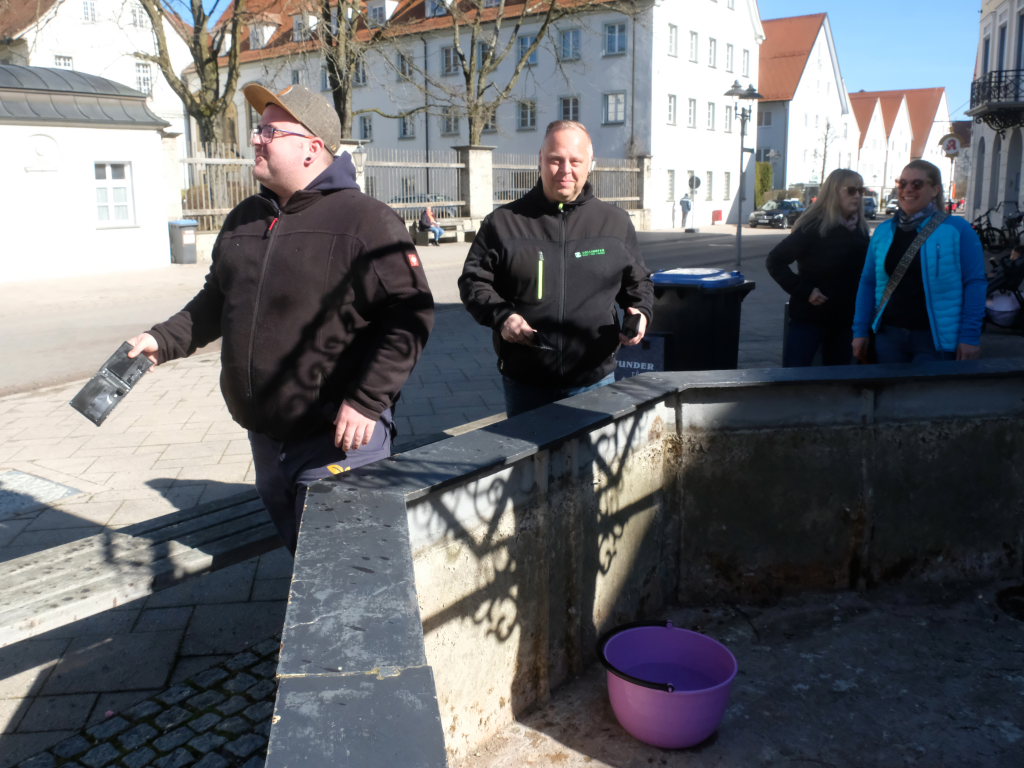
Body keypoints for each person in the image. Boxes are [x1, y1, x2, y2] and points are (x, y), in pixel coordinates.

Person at [127, 84, 434, 553]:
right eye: (258, 129)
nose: (256, 138)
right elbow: (216, 301)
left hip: (339, 439)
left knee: (346, 565)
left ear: (311, 148)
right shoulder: (245, 218)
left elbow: (410, 314)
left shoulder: (366, 222)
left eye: (270, 131)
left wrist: (368, 400)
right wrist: (161, 340)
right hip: (266, 439)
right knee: (300, 556)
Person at [459, 120, 654, 417]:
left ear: (590, 164)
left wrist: (641, 312)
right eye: (555, 160)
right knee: (528, 449)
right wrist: (502, 316)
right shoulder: (504, 222)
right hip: (526, 382)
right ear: (540, 160)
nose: (565, 170)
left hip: (595, 380)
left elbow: (639, 284)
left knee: (591, 450)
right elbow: (473, 282)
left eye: (575, 161)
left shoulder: (614, 222)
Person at [852, 159, 985, 364]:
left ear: (935, 190)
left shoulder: (958, 230)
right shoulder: (884, 231)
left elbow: (974, 283)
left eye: (917, 184)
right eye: (902, 183)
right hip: (889, 336)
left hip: (935, 340)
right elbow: (868, 282)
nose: (908, 189)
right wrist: (860, 331)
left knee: (930, 387)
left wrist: (970, 336)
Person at [766, 169, 869, 366]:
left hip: (845, 320)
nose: (857, 195)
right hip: (809, 318)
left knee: (837, 378)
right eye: (851, 190)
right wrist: (805, 291)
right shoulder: (813, 227)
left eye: (861, 190)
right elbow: (775, 261)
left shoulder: (861, 230)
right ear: (833, 192)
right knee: (796, 376)